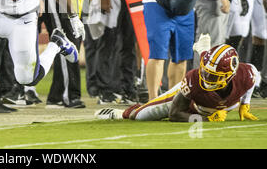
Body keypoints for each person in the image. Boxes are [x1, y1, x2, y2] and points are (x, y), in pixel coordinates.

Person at [106, 35, 260, 122]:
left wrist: (244, 105)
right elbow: (174, 114)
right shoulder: (196, 78)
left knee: (204, 55)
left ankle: (202, 48)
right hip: (192, 99)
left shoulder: (247, 74)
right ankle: (123, 112)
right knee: (139, 116)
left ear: (230, 75)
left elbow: (251, 80)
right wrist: (205, 120)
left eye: (214, 76)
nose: (207, 78)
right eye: (206, 73)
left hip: (211, 104)